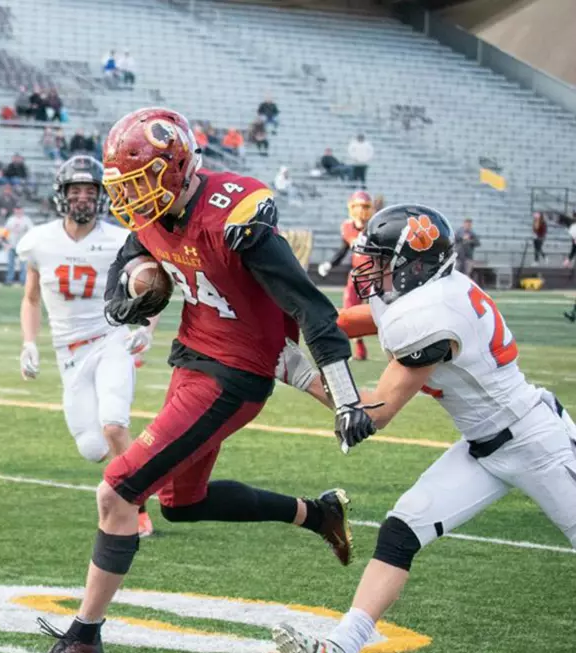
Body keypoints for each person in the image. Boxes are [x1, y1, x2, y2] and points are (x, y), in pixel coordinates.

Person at [38, 107, 374, 653]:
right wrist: (133, 290)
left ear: (173, 169)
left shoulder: (232, 214)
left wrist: (343, 393)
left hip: (235, 377)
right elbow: (122, 278)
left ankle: (84, 636)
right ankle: (319, 514)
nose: (127, 200)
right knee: (181, 502)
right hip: (194, 359)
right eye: (122, 187)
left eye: (137, 183)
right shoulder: (150, 211)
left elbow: (311, 308)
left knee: (117, 491)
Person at [271, 204, 576, 653]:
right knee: (402, 528)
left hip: (537, 443)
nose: (368, 270)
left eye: (379, 260)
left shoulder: (431, 315)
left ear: (415, 264)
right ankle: (344, 643)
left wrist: (301, 374)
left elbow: (369, 415)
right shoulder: (428, 292)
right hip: (483, 447)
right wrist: (311, 321)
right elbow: (366, 319)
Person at [17, 156, 157, 539]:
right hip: (69, 352)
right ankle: (139, 468)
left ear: (101, 196)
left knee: (114, 424)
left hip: (110, 339)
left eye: (89, 191)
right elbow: (30, 299)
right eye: (75, 191)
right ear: (61, 196)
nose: (82, 198)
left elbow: (154, 284)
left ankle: (138, 509)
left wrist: (147, 327)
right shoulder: (39, 241)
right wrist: (29, 343)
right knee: (92, 447)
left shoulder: (119, 240)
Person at [317, 191, 375, 360]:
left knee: (382, 313)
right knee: (349, 314)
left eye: (365, 207)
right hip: (357, 274)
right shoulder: (348, 227)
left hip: (376, 274)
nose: (361, 211)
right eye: (358, 207)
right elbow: (344, 249)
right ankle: (359, 349)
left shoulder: (376, 226)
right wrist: (330, 263)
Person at [4, 206, 31, 286]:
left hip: (22, 245)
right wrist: (6, 242)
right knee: (10, 264)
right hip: (12, 245)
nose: (18, 212)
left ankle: (23, 280)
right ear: (14, 210)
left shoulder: (26, 220)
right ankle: (9, 280)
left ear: (22, 210)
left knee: (23, 264)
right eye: (17, 210)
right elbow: (6, 231)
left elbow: (31, 231)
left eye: (20, 210)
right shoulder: (11, 219)